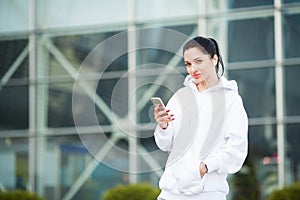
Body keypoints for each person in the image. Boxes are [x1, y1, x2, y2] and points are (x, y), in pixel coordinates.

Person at [153, 36, 248, 200]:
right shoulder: (180, 97)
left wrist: (205, 167)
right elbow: (166, 145)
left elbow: (236, 149)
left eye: (198, 61)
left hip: (208, 194)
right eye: (188, 64)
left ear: (214, 59)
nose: (192, 69)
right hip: (170, 193)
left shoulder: (231, 100)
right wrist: (163, 127)